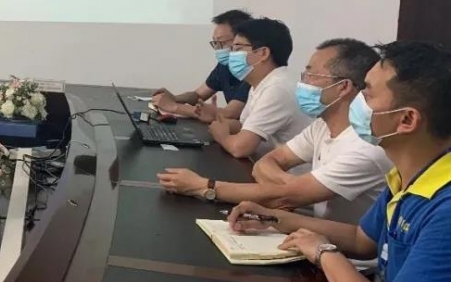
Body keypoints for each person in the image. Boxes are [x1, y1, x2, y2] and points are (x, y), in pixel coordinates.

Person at [228, 41, 451, 282]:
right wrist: (277, 219)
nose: (357, 102)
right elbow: (363, 240)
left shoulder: (445, 207)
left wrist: (323, 252)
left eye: (368, 93)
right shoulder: (410, 175)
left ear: (407, 119)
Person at [159, 39, 391, 225]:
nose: (303, 83)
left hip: (348, 258)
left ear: (343, 87)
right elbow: (267, 163)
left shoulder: (365, 147)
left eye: (311, 75)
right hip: (314, 234)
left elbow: (283, 195)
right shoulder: (322, 125)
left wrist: (205, 186)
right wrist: (289, 185)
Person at [208, 17, 309, 159]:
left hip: (285, 171)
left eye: (237, 49)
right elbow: (244, 125)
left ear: (263, 53)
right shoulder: (262, 82)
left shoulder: (278, 88)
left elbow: (240, 148)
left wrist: (222, 135)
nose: (232, 55)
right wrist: (219, 120)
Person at [152, 9, 253, 122]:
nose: (218, 49)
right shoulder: (224, 65)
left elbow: (229, 114)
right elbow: (198, 95)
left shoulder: (252, 71)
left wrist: (174, 107)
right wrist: (174, 98)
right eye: (215, 43)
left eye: (221, 42)